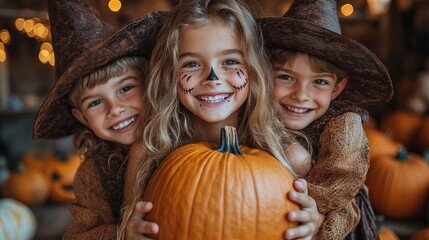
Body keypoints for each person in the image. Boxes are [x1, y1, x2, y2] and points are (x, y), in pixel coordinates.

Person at [118, 0, 322, 239]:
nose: (212, 78)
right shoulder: (148, 154)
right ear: (169, 74)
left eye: (230, 62)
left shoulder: (289, 157)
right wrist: (128, 233)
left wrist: (314, 224)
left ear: (254, 70)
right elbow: (128, 223)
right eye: (192, 64)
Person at [257, 0, 394, 239]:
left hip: (335, 218)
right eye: (286, 77)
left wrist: (317, 220)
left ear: (337, 88)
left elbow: (335, 196)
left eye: (319, 81)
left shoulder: (344, 129)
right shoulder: (258, 112)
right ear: (266, 74)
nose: (301, 95)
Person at [32, 0, 166, 239]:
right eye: (95, 102)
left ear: (149, 84)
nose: (114, 109)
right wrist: (121, 234)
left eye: (125, 88)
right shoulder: (94, 175)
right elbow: (78, 236)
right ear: (81, 117)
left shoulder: (183, 138)